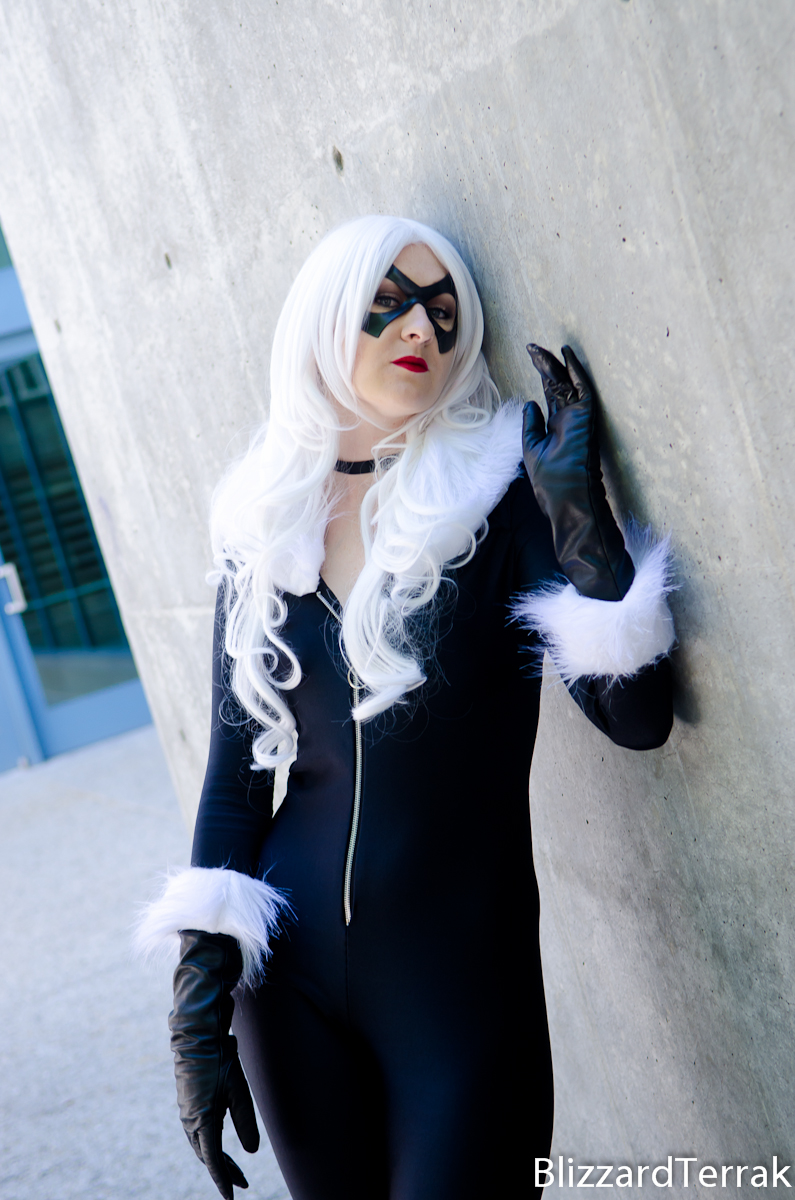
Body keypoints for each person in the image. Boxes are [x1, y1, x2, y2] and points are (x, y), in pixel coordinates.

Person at [136, 215, 675, 1200]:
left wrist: (578, 518)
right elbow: (234, 782)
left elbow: (638, 719)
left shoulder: (497, 492)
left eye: (440, 308)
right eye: (385, 304)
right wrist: (197, 1008)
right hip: (286, 988)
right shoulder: (264, 521)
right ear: (322, 319)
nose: (419, 326)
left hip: (461, 987)